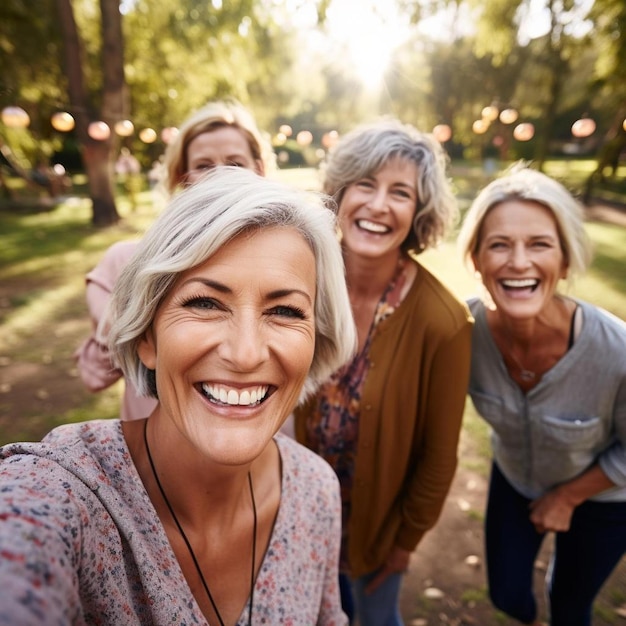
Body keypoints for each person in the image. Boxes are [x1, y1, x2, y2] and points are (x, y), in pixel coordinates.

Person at [0, 167, 356, 625]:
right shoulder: (62, 490)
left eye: (285, 310)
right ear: (147, 336)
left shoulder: (315, 490)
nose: (246, 354)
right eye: (205, 303)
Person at [293, 118, 474, 625]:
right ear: (339, 193)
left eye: (400, 192)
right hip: (295, 512)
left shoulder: (444, 322)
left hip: (377, 528)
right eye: (365, 185)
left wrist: (405, 544)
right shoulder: (301, 280)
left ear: (418, 213)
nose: (378, 205)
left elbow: (439, 455)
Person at [457, 165, 626, 626]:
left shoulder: (617, 353)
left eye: (539, 244)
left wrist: (569, 497)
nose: (518, 262)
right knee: (509, 598)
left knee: (569, 608)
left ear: (565, 261)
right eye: (498, 244)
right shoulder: (461, 332)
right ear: (475, 259)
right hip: (516, 478)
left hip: (607, 496)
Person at [75, 99, 274, 421]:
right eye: (205, 165)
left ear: (259, 171)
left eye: (235, 163)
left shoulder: (286, 265)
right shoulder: (126, 261)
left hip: (260, 445)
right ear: (183, 178)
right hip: (153, 460)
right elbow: (94, 375)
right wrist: (112, 331)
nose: (221, 175)